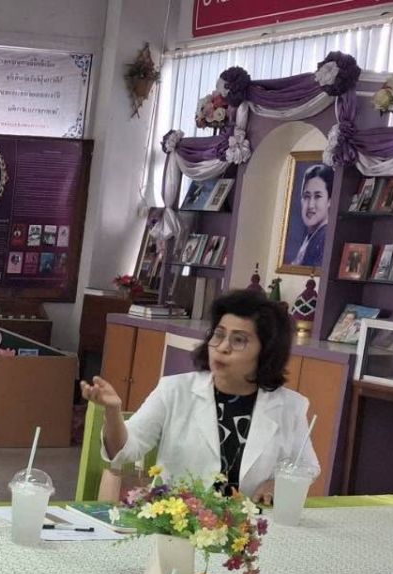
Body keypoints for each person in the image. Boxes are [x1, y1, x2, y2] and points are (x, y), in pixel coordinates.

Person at [80, 290, 317, 504]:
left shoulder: (290, 407)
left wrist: (278, 484)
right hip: (178, 524)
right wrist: (113, 411)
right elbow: (125, 449)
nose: (222, 347)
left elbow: (306, 466)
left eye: (238, 340)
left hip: (250, 529)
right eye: (218, 335)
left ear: (266, 351)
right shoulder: (174, 390)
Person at [289, 164, 333, 268]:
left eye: (318, 196)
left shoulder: (325, 238)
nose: (310, 205)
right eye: (306, 196)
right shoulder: (311, 237)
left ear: (329, 201)